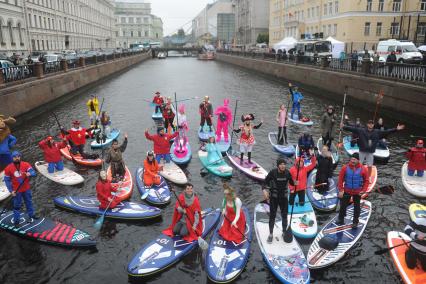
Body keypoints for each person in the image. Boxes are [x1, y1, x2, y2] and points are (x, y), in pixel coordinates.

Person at [262, 158, 295, 243]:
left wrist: (295, 183)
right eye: (281, 164)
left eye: (284, 164)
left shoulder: (288, 173)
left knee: (284, 216)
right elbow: (264, 183)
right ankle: (270, 234)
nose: (283, 165)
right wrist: (264, 190)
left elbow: (292, 183)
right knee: (272, 216)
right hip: (274, 198)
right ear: (278, 166)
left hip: (284, 198)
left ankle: (284, 232)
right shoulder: (273, 172)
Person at [4, 151, 38, 227]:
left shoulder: (26, 164)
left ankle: (31, 215)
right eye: (15, 157)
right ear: (12, 158)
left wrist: (30, 173)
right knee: (17, 206)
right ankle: (16, 221)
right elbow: (7, 180)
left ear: (20, 157)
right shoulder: (8, 168)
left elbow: (33, 172)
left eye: (18, 156)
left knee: (29, 202)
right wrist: (11, 191)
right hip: (16, 191)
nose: (17, 158)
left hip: (26, 189)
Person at [337, 154, 369, 228]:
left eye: (354, 159)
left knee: (356, 207)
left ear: (358, 160)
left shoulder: (363, 169)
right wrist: (341, 190)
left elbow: (366, 181)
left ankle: (355, 222)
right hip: (347, 191)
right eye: (352, 159)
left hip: (357, 192)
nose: (352, 161)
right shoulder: (345, 168)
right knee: (343, 206)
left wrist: (363, 190)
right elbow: (340, 180)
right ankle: (341, 219)